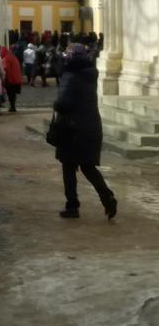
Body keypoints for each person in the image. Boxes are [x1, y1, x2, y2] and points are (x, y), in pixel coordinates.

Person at [52, 43, 117, 220]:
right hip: (90, 126)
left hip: (71, 129)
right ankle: (107, 197)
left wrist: (56, 104)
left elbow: (63, 103)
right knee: (88, 167)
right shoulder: (90, 74)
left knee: (68, 167)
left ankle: (72, 206)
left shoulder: (71, 75)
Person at [0, 45, 23, 112]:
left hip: (11, 79)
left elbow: (6, 69)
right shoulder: (13, 57)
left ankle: (12, 107)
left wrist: (7, 79)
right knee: (13, 94)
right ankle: (13, 106)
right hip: (16, 78)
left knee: (11, 94)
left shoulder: (6, 58)